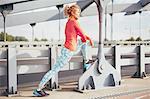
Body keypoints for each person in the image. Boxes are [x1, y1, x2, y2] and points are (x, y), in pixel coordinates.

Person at [33, 4, 94, 97]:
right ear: (73, 13)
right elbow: (82, 34)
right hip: (68, 51)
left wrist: (87, 39)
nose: (79, 14)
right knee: (54, 70)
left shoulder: (69, 22)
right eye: (78, 12)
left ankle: (86, 62)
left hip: (70, 49)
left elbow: (82, 36)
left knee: (83, 42)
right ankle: (38, 89)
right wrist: (89, 39)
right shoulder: (74, 22)